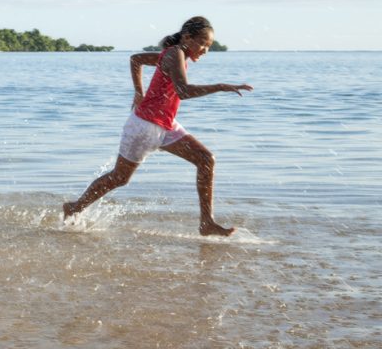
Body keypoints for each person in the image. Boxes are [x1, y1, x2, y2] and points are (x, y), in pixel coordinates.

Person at [62, 17, 253, 236]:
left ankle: (207, 222)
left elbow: (136, 59)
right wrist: (220, 86)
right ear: (187, 37)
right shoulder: (175, 54)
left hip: (166, 125)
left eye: (208, 47)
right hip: (144, 127)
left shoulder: (176, 55)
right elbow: (183, 91)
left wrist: (138, 91)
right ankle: (75, 207)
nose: (205, 51)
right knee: (119, 178)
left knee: (205, 160)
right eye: (202, 44)